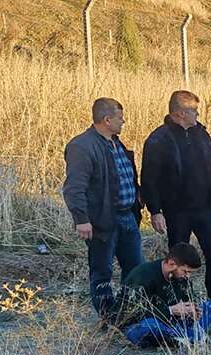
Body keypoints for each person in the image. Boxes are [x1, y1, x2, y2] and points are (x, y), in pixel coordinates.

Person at [141, 90, 211, 302]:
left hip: (205, 208)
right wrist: (155, 211)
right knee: (178, 259)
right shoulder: (158, 140)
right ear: (181, 113)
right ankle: (180, 301)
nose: (197, 115)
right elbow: (149, 179)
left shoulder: (202, 135)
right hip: (176, 211)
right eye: (194, 111)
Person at [62, 97, 146, 316]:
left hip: (128, 217)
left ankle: (129, 313)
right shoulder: (81, 146)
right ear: (107, 120)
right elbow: (74, 188)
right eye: (120, 118)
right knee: (102, 273)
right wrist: (82, 219)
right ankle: (108, 319)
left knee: (136, 270)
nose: (124, 121)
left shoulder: (116, 143)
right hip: (102, 221)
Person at [114, 243, 211, 348]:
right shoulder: (143, 275)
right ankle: (188, 336)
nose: (187, 276)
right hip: (149, 321)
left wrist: (192, 310)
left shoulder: (181, 277)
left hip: (175, 321)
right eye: (185, 271)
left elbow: (187, 298)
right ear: (171, 264)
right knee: (147, 327)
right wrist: (170, 310)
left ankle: (182, 337)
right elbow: (134, 312)